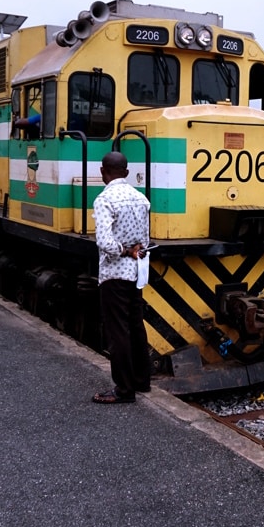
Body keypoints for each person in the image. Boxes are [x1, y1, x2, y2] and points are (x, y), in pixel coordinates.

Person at [91, 151, 152, 404]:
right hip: (136, 272)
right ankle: (142, 380)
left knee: (117, 332)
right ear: (126, 173)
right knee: (136, 325)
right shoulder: (141, 199)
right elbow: (145, 241)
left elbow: (104, 241)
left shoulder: (104, 200)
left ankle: (124, 390)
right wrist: (135, 251)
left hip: (114, 274)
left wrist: (123, 250)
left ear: (102, 171)